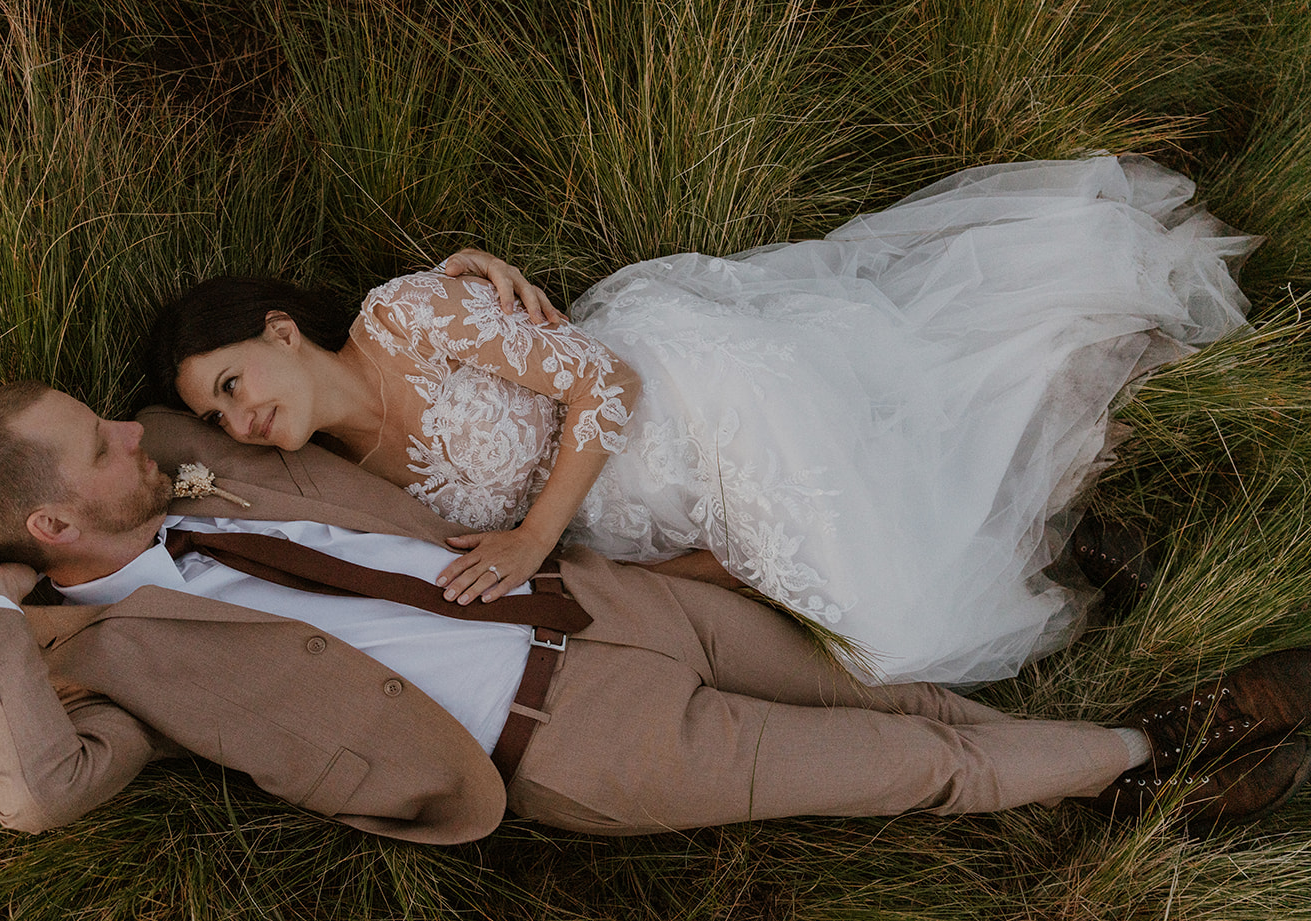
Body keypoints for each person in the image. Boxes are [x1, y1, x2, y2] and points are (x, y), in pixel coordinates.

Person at [0, 382, 1311, 843]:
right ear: (48, 528)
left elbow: (258, 369)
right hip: (585, 740)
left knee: (889, 694)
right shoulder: (97, 656)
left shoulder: (186, 460)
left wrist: (462, 274)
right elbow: (36, 793)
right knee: (919, 765)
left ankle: (1107, 781)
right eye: (90, 440)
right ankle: (1160, 745)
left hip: (605, 602)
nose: (120, 426)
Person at [140, 155, 1260, 688]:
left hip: (684, 396)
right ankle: (1050, 521)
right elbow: (569, 546)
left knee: (905, 622)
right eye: (214, 418)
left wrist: (533, 538)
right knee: (881, 624)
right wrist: (695, 566)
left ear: (280, 331)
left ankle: (1048, 498)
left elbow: (605, 384)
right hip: (643, 509)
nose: (239, 420)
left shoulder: (407, 315)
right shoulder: (363, 478)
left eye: (230, 383)